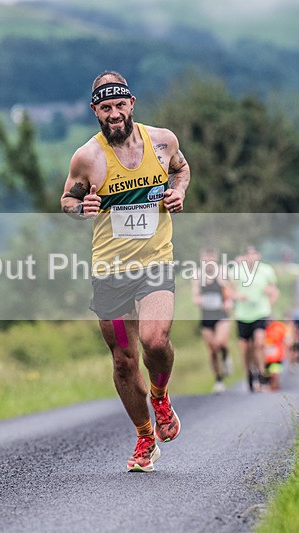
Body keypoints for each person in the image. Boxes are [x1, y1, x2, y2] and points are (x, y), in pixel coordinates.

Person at [60, 71, 190, 472]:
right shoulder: (87, 158)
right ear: (95, 111)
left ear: (131, 103)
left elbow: (182, 169)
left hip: (155, 261)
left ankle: (161, 395)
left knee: (154, 341)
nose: (114, 114)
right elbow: (66, 199)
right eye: (105, 107)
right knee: (122, 360)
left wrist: (179, 191)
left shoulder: (163, 141)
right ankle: (144, 437)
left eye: (119, 105)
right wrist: (81, 209)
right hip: (110, 270)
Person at [229, 245, 278, 393]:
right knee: (245, 349)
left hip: (261, 312)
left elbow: (274, 291)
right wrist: (237, 296)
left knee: (259, 343)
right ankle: (250, 372)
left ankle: (262, 374)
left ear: (258, 256)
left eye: (254, 254)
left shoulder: (267, 270)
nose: (251, 257)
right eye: (248, 254)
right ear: (244, 256)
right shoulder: (236, 271)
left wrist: (269, 304)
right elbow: (229, 291)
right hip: (242, 315)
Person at [192, 247, 232, 393]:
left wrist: (228, 302)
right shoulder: (197, 275)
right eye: (205, 258)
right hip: (206, 316)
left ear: (215, 258)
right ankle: (219, 380)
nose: (208, 261)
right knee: (212, 350)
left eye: (211, 257)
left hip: (221, 315)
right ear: (201, 259)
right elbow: (195, 295)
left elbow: (229, 292)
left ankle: (227, 358)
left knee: (219, 343)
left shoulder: (221, 273)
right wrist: (199, 300)